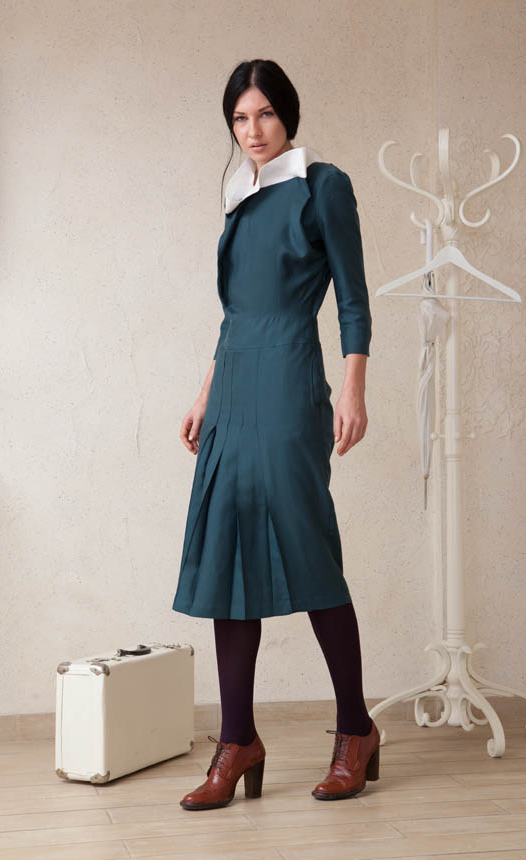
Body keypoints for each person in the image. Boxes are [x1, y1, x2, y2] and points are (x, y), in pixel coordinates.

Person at [172, 59, 381, 811]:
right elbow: (235, 312)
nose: (252, 130)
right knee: (226, 554)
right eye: (239, 118)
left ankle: (355, 730)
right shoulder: (240, 193)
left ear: (287, 114)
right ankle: (237, 741)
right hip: (233, 385)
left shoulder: (323, 185)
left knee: (309, 550)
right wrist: (206, 394)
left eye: (263, 114)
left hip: (292, 379)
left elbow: (353, 298)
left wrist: (352, 388)